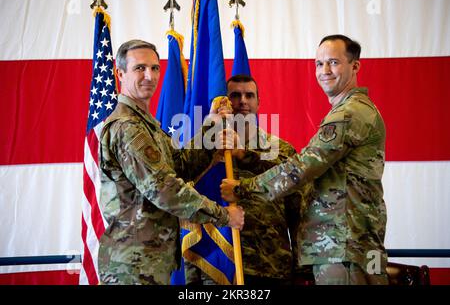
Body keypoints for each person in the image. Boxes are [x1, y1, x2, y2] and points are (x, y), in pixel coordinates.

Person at [221, 35, 388, 285]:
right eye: (319, 64)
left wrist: (243, 189)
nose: (324, 71)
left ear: (355, 66)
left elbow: (302, 168)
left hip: (344, 246)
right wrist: (246, 158)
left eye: (333, 62)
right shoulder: (351, 110)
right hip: (347, 245)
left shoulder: (349, 114)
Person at [98, 39, 244, 285]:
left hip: (148, 259)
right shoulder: (128, 127)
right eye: (140, 68)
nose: (149, 75)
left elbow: (179, 166)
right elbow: (164, 189)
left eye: (155, 68)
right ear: (119, 73)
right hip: (133, 263)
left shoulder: (145, 123)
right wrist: (222, 215)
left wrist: (211, 127)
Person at [185, 74, 311, 285]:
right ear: (224, 102)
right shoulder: (207, 151)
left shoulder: (280, 149)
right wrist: (192, 274)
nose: (243, 100)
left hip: (271, 264)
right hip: (218, 265)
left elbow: (298, 210)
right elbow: (190, 209)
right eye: (235, 95)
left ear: (258, 102)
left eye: (249, 95)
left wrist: (303, 268)